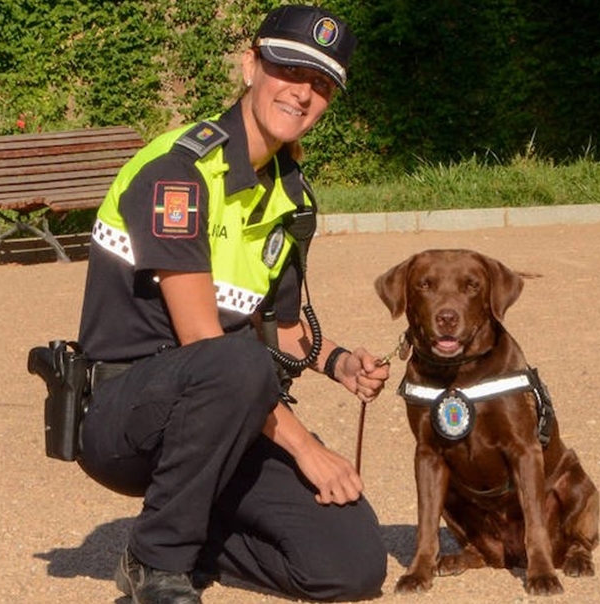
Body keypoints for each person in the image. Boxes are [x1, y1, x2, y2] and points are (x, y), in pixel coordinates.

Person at [74, 5, 390, 604]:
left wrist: (339, 361)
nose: (302, 93)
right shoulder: (180, 172)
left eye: (321, 84)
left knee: (352, 566)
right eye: (288, 69)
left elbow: (281, 328)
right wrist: (306, 447)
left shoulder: (289, 191)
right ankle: (154, 560)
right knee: (238, 364)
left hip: (227, 411)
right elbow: (205, 342)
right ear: (250, 65)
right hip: (126, 413)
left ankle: (191, 529)